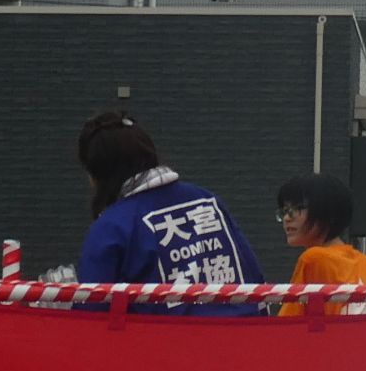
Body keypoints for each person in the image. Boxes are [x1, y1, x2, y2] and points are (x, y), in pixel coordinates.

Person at [74, 111, 265, 302]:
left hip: (159, 332)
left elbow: (93, 315)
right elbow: (254, 278)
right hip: (240, 329)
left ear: (99, 174)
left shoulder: (111, 228)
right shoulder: (206, 201)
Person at [274, 171, 366, 316]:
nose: (286, 218)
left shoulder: (313, 259)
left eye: (296, 209)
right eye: (284, 211)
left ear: (326, 212)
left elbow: (288, 324)